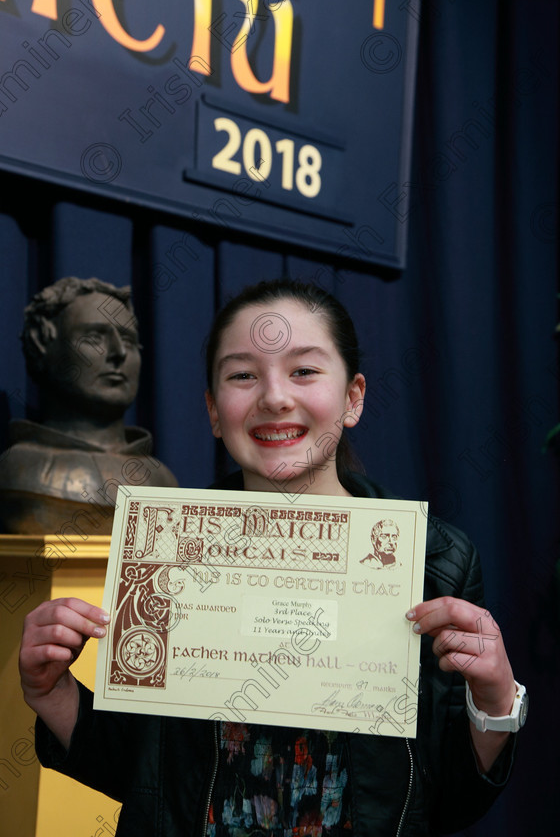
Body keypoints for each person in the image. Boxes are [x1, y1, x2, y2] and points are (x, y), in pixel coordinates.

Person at [19, 280, 524, 836]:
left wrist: (494, 698)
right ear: (214, 411)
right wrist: (53, 692)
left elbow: (449, 800)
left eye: (303, 371)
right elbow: (138, 778)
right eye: (242, 375)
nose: (275, 397)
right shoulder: (167, 545)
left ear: (353, 397)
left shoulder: (435, 559)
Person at [0, 276, 177, 533]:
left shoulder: (163, 482)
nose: (119, 352)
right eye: (94, 339)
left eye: (128, 341)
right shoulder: (18, 473)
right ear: (42, 344)